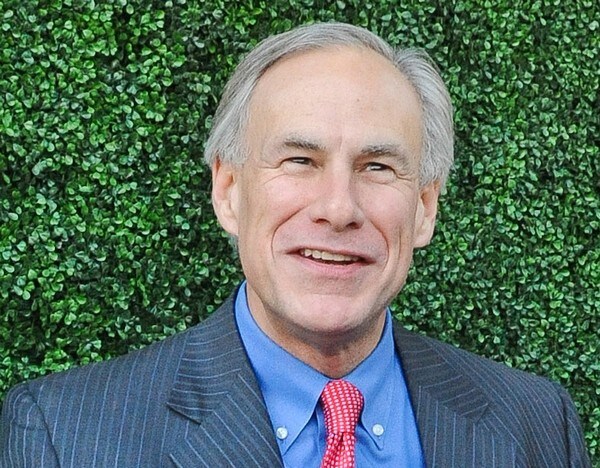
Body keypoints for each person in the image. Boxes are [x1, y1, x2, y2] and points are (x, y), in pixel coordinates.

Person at [0, 23, 590, 468]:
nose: (338, 208)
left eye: (378, 167)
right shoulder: (63, 436)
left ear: (425, 208)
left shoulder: (538, 425)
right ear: (228, 191)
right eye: (300, 160)